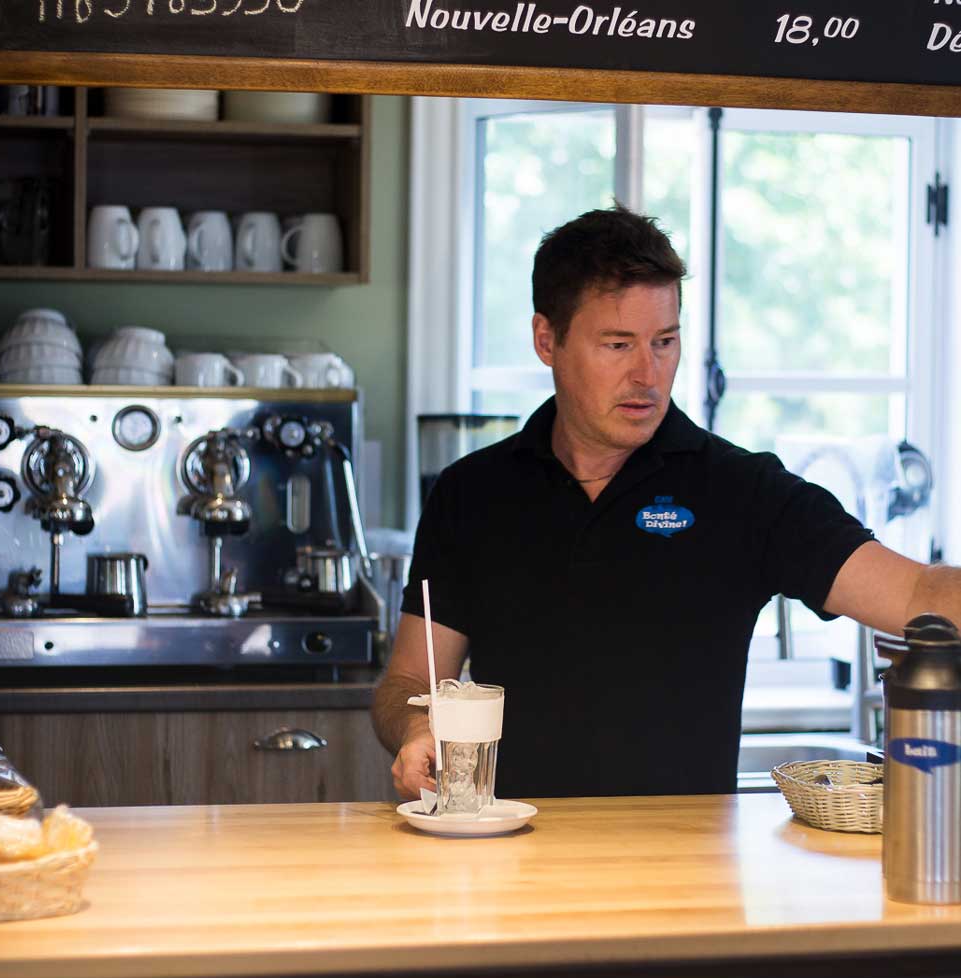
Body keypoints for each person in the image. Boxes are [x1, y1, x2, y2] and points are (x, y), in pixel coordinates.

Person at [371, 204, 961, 801]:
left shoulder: (743, 491)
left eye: (665, 342)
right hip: (509, 845)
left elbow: (918, 593)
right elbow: (409, 681)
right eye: (617, 344)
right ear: (546, 340)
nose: (647, 374)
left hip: (687, 853)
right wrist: (416, 730)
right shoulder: (471, 493)